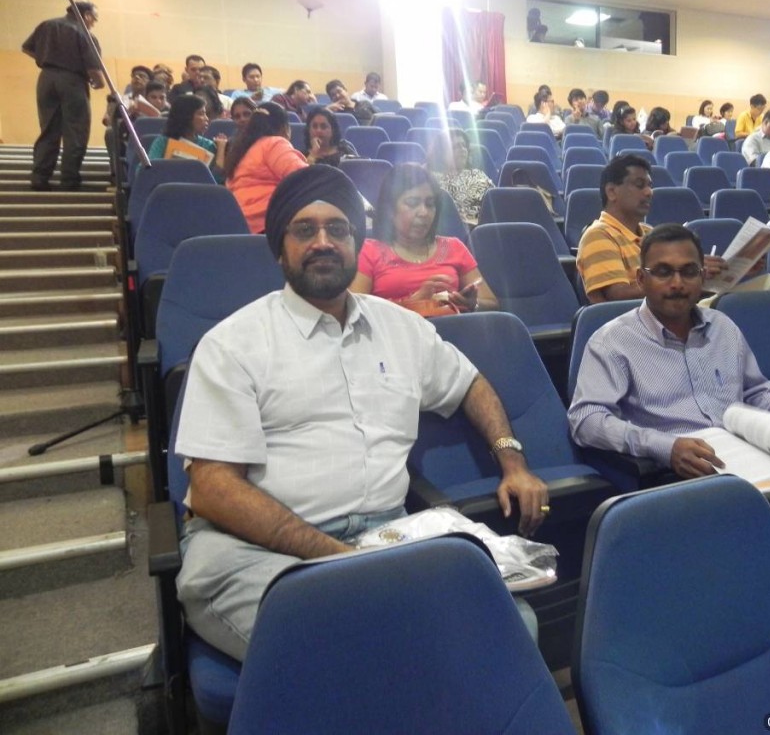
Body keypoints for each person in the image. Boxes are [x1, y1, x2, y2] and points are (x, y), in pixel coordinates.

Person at [174, 164, 548, 662]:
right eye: (304, 230)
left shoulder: (402, 328)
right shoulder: (233, 344)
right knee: (355, 651)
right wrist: (343, 562)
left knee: (508, 624)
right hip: (255, 552)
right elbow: (213, 488)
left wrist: (512, 461)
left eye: (338, 229)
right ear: (280, 248)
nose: (323, 242)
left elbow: (471, 385)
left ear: (357, 241)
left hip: (385, 537)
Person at [568, 223, 770, 479]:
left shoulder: (723, 327)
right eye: (663, 272)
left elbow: (757, 390)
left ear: (702, 277)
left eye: (689, 272)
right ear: (641, 279)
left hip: (749, 458)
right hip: (679, 475)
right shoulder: (612, 342)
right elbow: (586, 420)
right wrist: (663, 447)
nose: (677, 283)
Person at [351, 163, 498, 316]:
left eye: (430, 204)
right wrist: (414, 302)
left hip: (453, 329)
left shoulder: (453, 247)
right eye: (412, 203)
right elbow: (354, 312)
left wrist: (472, 304)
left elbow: (492, 303)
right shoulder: (368, 251)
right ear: (390, 210)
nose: (424, 212)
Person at [22, 1, 104, 192]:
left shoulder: (46, 25)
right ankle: (69, 179)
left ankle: (40, 177)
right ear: (86, 15)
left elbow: (26, 48)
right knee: (76, 130)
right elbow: (94, 68)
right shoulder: (85, 34)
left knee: (48, 129)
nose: (94, 23)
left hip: (46, 79)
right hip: (73, 82)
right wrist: (99, 83)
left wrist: (48, 59)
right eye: (94, 19)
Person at [575, 155, 653, 304]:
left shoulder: (650, 232)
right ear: (611, 191)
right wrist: (677, 284)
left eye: (650, 185)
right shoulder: (599, 235)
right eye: (639, 185)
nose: (649, 192)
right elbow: (618, 295)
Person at [224, 102, 307, 233]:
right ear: (284, 128)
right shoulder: (274, 143)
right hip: (271, 229)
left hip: (239, 229)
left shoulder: (239, 152)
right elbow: (305, 180)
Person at [146, 93, 227, 176]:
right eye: (201, 114)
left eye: (205, 114)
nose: (206, 118)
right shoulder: (163, 142)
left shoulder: (208, 145)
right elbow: (147, 171)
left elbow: (216, 179)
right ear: (186, 116)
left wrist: (221, 148)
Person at [428, 128, 493, 224]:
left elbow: (495, 203)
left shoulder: (477, 175)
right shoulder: (431, 179)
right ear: (441, 152)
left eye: (464, 146)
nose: (462, 149)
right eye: (456, 146)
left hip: (482, 226)